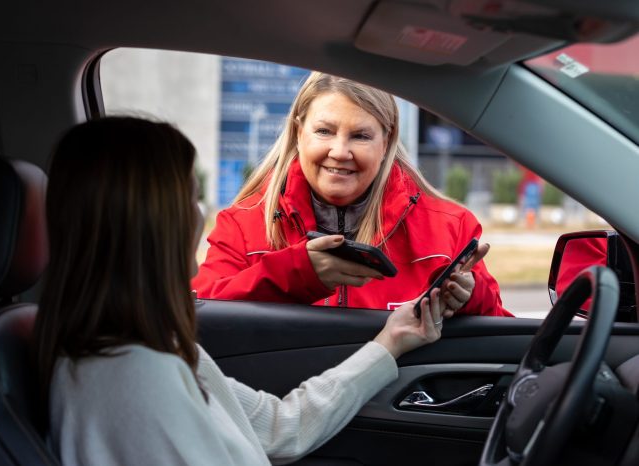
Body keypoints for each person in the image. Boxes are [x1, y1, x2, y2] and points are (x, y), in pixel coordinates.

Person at [34, 117, 449, 465]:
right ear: (156, 223)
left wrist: (389, 342)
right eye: (191, 196)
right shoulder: (129, 377)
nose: (201, 212)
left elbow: (278, 427)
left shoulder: (151, 351)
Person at [193, 72, 512, 317]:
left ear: (386, 142)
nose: (340, 151)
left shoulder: (449, 229)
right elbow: (200, 317)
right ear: (298, 132)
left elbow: (499, 336)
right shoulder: (243, 224)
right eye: (324, 131)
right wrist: (297, 273)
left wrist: (472, 297)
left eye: (360, 136)